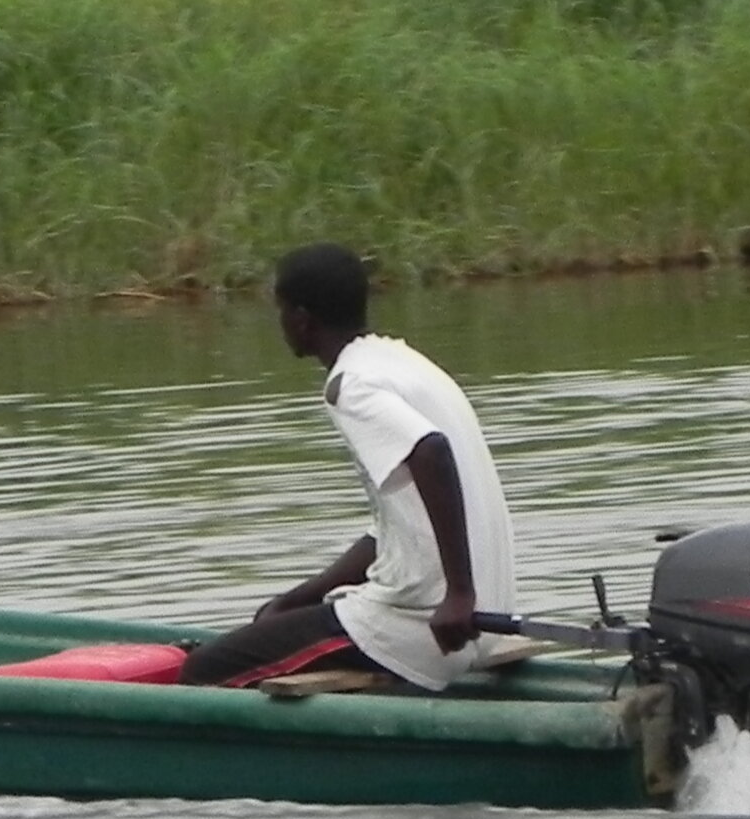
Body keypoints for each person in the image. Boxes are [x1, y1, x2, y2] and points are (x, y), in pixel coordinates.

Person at [175, 243, 519, 692]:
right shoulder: (403, 363)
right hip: (478, 625)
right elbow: (390, 534)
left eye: (280, 311)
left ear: (301, 319)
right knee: (274, 633)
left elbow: (429, 450)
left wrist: (458, 594)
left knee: (202, 671)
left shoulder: (351, 386)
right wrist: (303, 596)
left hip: (420, 627)